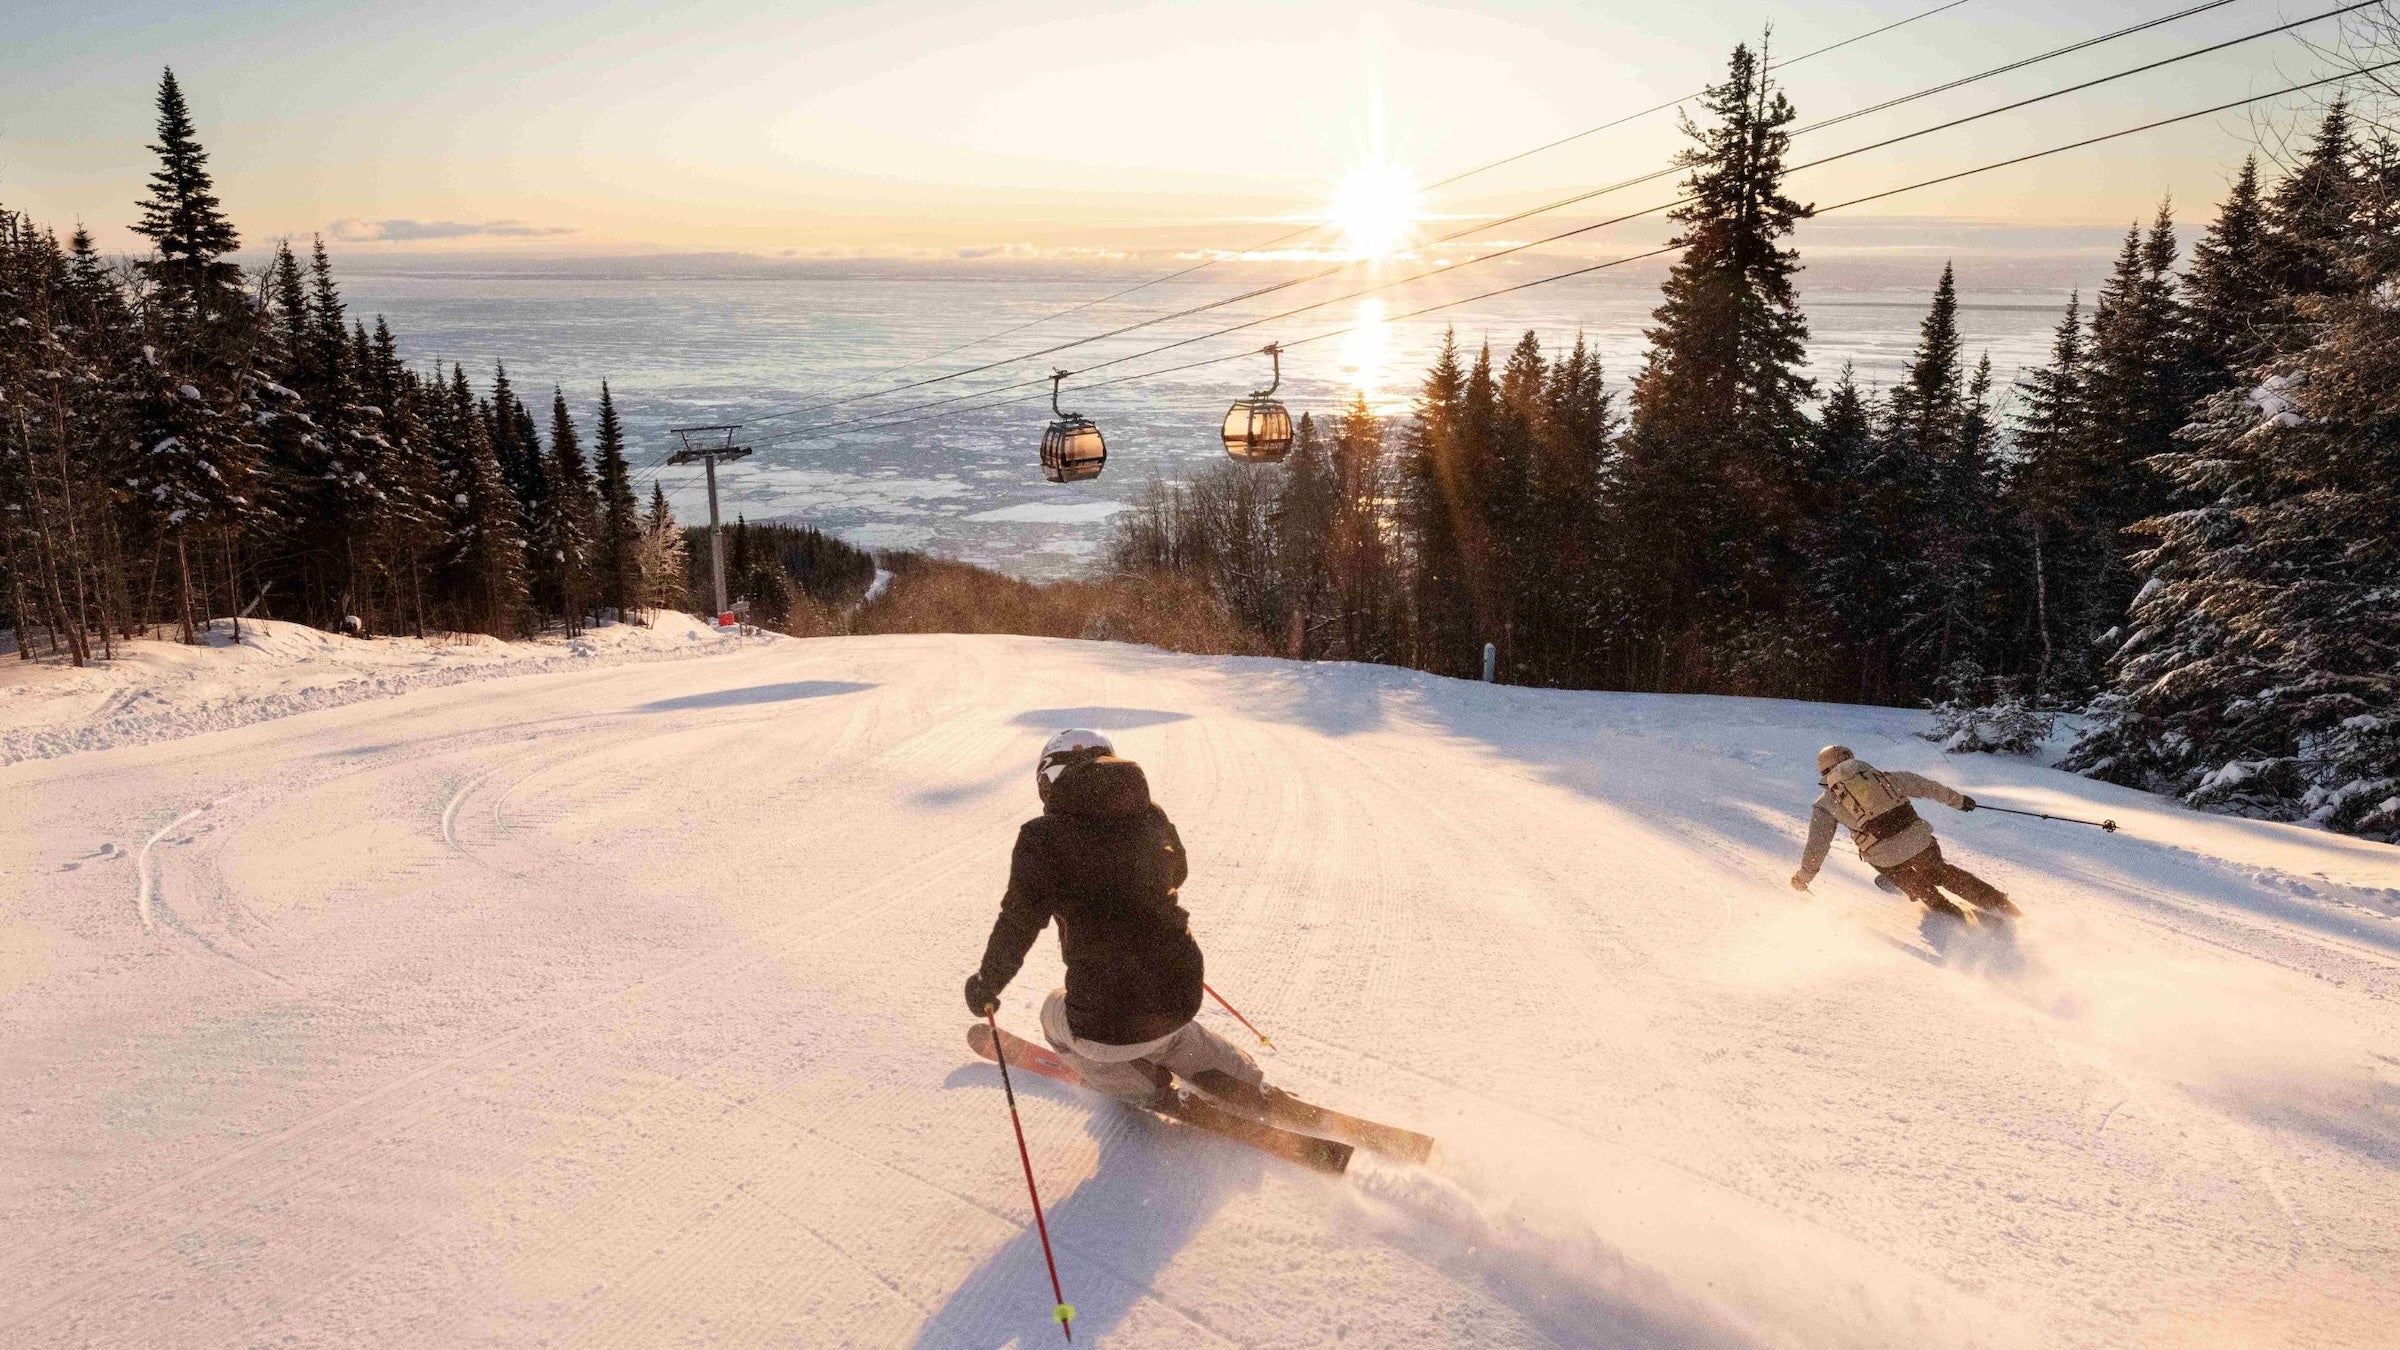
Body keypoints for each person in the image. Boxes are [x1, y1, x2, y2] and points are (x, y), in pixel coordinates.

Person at [965, 729, 1266, 1108]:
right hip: (1182, 990)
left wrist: (986, 983)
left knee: (1055, 1014)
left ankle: (1147, 1089)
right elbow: (1178, 873)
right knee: (1166, 1026)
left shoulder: (1041, 837)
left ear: (1049, 781)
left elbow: (1018, 922)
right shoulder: (1150, 814)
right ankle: (1248, 1084)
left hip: (1105, 1018)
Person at [1791, 745, 2020, 919]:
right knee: (1940, 872)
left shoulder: (1826, 803)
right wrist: (1960, 801)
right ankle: (2002, 906)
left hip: (1885, 857)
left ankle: (1948, 915)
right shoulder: (1886, 778)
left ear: (1824, 772)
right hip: (1919, 841)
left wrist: (1804, 878)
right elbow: (1926, 786)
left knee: (1915, 882)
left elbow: (1817, 847)